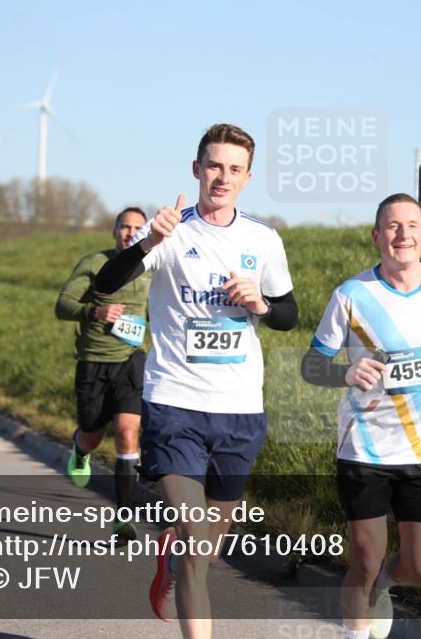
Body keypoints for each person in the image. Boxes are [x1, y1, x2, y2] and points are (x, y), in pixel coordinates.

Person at [95, 123, 299, 639]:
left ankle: (172, 567)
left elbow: (289, 314)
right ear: (196, 169)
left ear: (247, 177)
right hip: (174, 403)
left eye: (233, 169)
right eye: (213, 165)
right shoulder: (171, 230)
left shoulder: (263, 239)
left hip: (239, 410)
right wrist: (149, 245)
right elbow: (105, 283)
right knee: (192, 535)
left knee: (204, 549)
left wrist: (260, 304)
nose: (221, 177)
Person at [300, 193, 421, 639]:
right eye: (393, 226)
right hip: (364, 446)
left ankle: (384, 585)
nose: (403, 234)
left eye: (412, 225)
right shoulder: (352, 295)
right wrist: (345, 371)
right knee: (364, 557)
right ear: (377, 236)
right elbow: (310, 364)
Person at [55, 206, 152, 545]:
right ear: (114, 231)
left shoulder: (151, 269)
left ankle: (123, 518)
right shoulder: (94, 263)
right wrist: (95, 311)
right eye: (124, 227)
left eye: (137, 228)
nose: (130, 233)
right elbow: (62, 305)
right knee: (93, 435)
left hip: (130, 360)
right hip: (93, 361)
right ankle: (80, 449)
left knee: (128, 434)